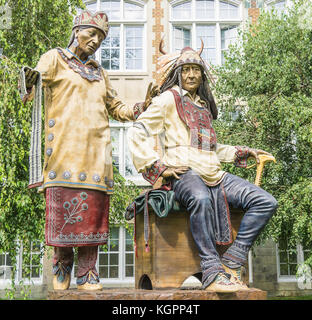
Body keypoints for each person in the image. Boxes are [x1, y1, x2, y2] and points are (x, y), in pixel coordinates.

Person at [19, 10, 155, 291]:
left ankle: (88, 273)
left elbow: (118, 108)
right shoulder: (55, 58)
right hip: (64, 153)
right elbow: (33, 81)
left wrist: (144, 105)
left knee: (93, 216)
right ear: (76, 31)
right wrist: (29, 80)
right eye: (91, 33)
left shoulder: (99, 72)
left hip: (97, 156)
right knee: (64, 213)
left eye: (101, 38)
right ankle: (61, 269)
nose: (95, 41)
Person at [127, 42, 278, 292]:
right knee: (199, 197)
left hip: (215, 174)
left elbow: (211, 149)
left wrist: (244, 152)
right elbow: (138, 130)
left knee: (265, 201)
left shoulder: (204, 107)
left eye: (195, 69)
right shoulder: (168, 99)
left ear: (202, 74)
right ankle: (211, 270)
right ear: (178, 73)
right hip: (183, 173)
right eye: (185, 69)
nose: (191, 74)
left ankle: (231, 261)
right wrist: (156, 167)